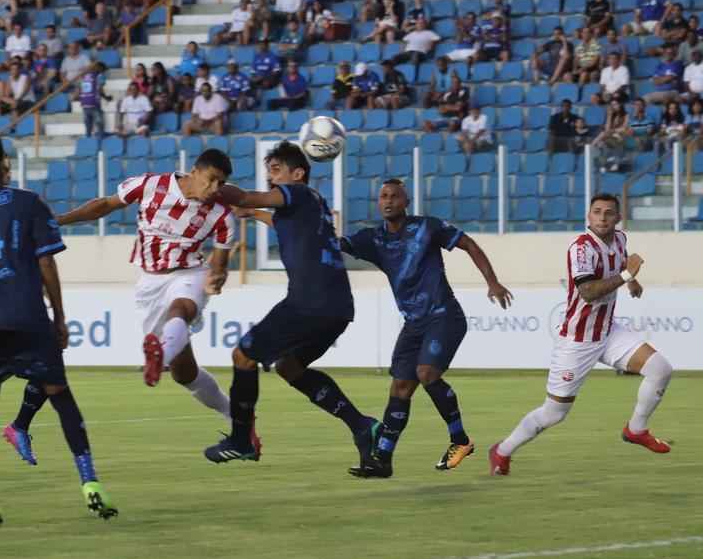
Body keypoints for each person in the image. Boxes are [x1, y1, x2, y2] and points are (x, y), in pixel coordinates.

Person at [0, 135, 117, 525]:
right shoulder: (29, 203)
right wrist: (60, 316)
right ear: (3, 164)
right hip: (28, 314)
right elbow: (47, 264)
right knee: (60, 396)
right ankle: (90, 482)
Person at [205, 142, 377, 469]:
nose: (271, 178)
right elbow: (278, 222)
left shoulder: (296, 193)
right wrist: (255, 215)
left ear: (298, 174)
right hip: (336, 308)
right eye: (268, 171)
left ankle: (242, 440)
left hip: (309, 302)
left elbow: (243, 197)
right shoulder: (309, 206)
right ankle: (362, 427)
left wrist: (209, 184)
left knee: (243, 355)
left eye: (276, 170)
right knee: (289, 366)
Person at [54, 150, 247, 439]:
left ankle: (157, 359)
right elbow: (104, 205)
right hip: (149, 281)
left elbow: (218, 266)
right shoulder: (149, 185)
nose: (215, 189)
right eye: (212, 180)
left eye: (221, 183)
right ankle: (237, 415)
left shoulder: (221, 215)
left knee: (181, 308)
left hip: (189, 272)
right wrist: (58, 221)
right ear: (194, 171)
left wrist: (216, 279)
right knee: (185, 374)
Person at [490, 194, 674, 475]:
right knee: (554, 414)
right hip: (578, 340)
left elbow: (621, 262)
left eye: (609, 213)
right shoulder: (580, 248)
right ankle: (501, 451)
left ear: (618, 218)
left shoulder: (620, 239)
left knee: (660, 369)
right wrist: (627, 277)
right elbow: (587, 292)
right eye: (596, 212)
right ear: (588, 217)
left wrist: (632, 280)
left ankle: (636, 429)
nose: (602, 217)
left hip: (608, 331)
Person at [341, 179, 512, 478]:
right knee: (400, 387)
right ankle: (382, 460)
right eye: (383, 196)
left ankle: (460, 440)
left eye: (395, 196)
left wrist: (492, 282)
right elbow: (335, 245)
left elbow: (468, 243)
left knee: (426, 373)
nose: (388, 200)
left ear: (406, 201)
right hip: (413, 323)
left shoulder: (427, 227)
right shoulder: (373, 239)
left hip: (444, 315)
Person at [77, 62, 108, 138]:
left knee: (88, 125)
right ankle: (101, 140)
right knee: (99, 123)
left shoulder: (85, 76)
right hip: (94, 103)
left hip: (84, 104)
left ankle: (88, 141)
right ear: (100, 68)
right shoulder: (99, 76)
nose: (103, 72)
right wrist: (106, 97)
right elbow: (100, 89)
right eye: (103, 70)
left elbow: (81, 90)